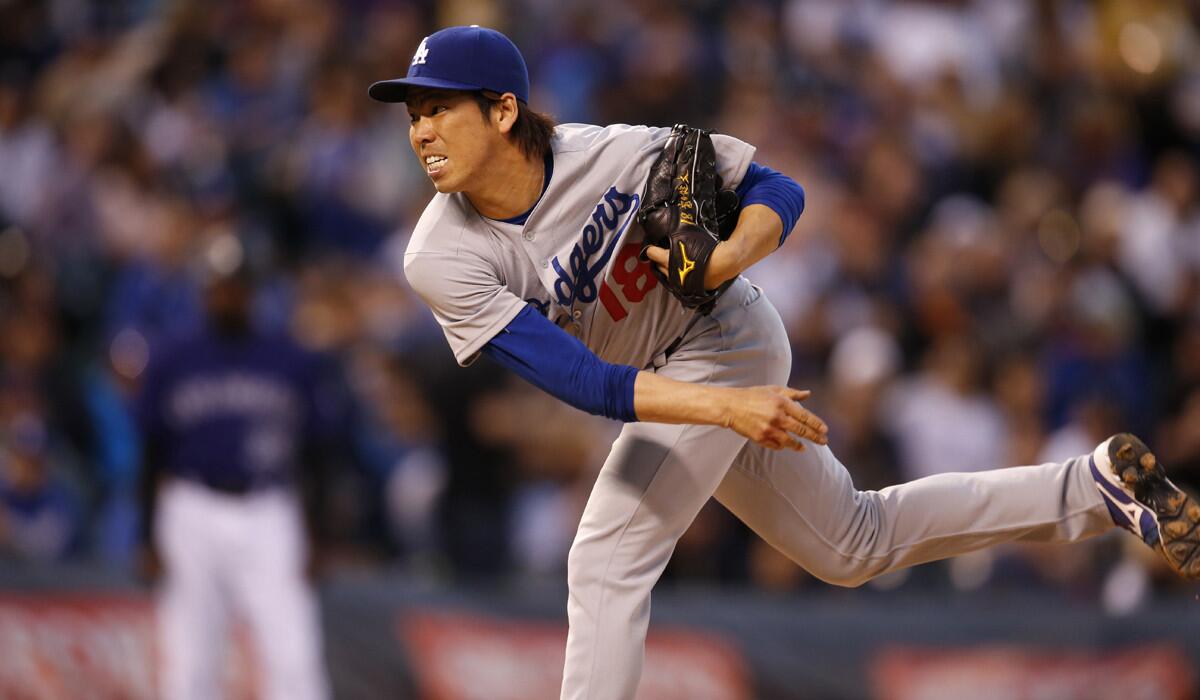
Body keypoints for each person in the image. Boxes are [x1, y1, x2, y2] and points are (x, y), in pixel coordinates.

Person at [368, 25, 1200, 700]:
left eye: (439, 109)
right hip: (674, 382)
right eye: (413, 116)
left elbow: (778, 188)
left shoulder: (613, 154)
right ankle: (1093, 489)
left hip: (727, 335)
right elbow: (585, 383)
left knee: (606, 557)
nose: (421, 132)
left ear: (504, 110)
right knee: (851, 544)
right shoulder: (440, 255)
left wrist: (726, 256)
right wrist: (729, 411)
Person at [135, 235, 345, 700]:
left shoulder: (290, 359)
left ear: (253, 290)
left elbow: (317, 451)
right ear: (204, 290)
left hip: (269, 508)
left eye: (237, 285)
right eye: (219, 285)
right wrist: (146, 535)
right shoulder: (173, 357)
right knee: (190, 660)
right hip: (191, 506)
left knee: (294, 656)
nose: (228, 294)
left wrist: (319, 532)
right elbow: (152, 451)